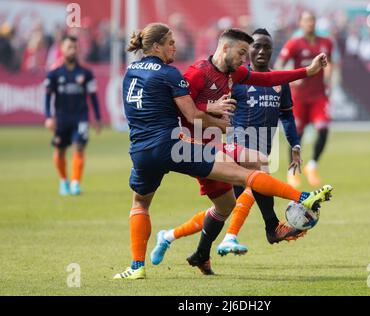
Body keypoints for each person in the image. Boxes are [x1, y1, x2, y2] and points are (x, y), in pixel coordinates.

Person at [113, 23, 333, 279]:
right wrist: (215, 113)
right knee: (253, 165)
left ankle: (176, 256)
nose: (245, 59)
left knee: (224, 204)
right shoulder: (189, 74)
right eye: (241, 53)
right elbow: (188, 113)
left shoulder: (132, 71)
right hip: (185, 144)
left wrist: (307, 71)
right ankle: (296, 202)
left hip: (144, 149)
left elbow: (268, 78)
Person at [150, 28, 304, 261]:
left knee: (225, 207)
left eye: (267, 47)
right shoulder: (228, 77)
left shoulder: (267, 81)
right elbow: (183, 108)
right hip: (220, 146)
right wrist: (209, 110)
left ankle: (180, 241)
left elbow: (287, 114)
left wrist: (295, 146)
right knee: (254, 179)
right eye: (253, 48)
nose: (260, 51)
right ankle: (246, 233)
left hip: (238, 146)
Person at [275, 11, 333, 188]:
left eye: (313, 20)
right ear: (300, 23)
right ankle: (292, 171)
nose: (310, 23)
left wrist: (328, 76)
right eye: (307, 20)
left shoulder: (326, 42)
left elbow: (329, 63)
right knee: (296, 136)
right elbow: (278, 65)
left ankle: (312, 165)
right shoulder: (294, 43)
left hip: (319, 96)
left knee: (323, 129)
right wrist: (293, 78)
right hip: (298, 98)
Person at [44, 35, 102, 196]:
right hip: (61, 118)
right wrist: (48, 117)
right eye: (69, 47)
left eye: (75, 47)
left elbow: (93, 96)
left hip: (80, 117)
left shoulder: (86, 72)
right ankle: (64, 181)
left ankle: (75, 182)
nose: (72, 50)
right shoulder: (54, 72)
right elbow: (47, 96)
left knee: (79, 147)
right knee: (60, 150)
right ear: (62, 49)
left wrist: (97, 118)